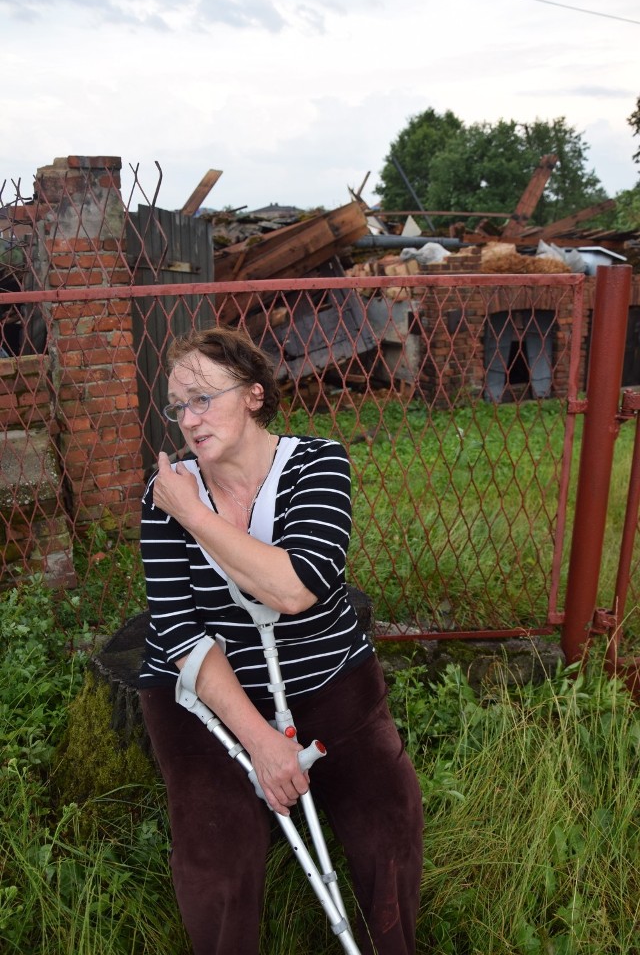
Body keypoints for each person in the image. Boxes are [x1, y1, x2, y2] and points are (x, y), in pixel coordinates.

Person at [138, 326, 424, 955]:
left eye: (203, 398)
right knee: (216, 852)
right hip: (207, 699)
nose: (188, 418)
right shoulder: (163, 491)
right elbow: (180, 632)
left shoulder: (319, 463)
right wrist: (262, 742)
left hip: (328, 681)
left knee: (388, 818)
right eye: (177, 404)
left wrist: (194, 516)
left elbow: (298, 588)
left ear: (254, 397)